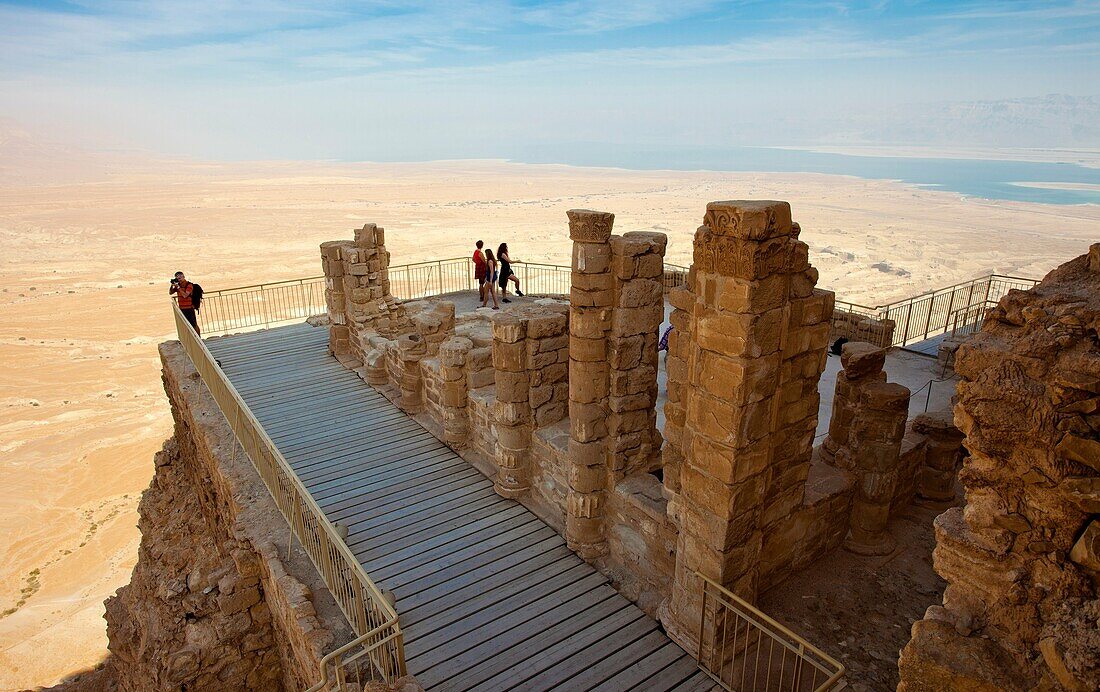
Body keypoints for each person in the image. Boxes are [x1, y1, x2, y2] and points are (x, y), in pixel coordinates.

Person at [170, 270, 200, 335]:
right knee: (186, 324)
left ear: (183, 276)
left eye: (180, 278)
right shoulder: (179, 285)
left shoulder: (189, 285)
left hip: (189, 308)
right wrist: (172, 285)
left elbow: (185, 295)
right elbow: (170, 293)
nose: (179, 280)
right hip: (182, 308)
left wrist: (178, 287)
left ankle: (199, 338)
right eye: (177, 278)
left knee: (194, 324)